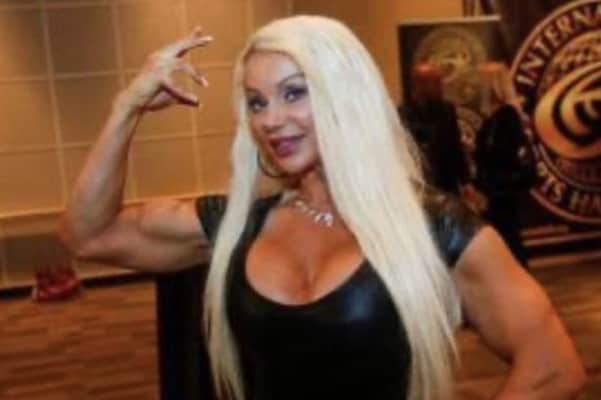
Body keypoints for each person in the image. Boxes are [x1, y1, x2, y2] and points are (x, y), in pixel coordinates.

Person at [60, 17, 585, 400]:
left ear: (345, 95)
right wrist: (127, 108)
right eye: (257, 102)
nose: (271, 119)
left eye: (294, 93)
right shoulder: (240, 225)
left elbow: (553, 366)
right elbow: (89, 235)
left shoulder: (433, 226)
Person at [474, 62, 536, 267]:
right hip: (497, 190)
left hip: (502, 190)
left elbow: (504, 155)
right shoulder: (496, 116)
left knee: (508, 238)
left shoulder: (506, 115)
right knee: (505, 238)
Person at [399, 63, 470, 196]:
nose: (441, 86)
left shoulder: (447, 110)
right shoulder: (403, 114)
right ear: (420, 84)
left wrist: (465, 182)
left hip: (445, 184)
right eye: (436, 82)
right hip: (418, 184)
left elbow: (455, 147)